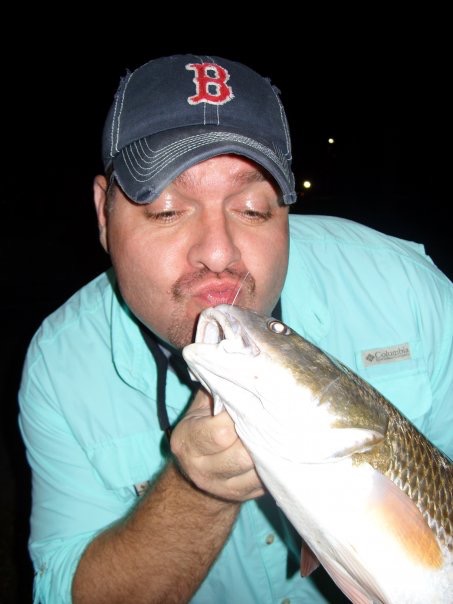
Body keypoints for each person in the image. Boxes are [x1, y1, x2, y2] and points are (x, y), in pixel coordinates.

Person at [18, 53, 453, 604]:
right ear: (105, 214)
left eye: (251, 209)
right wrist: (198, 491)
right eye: (167, 210)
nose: (219, 254)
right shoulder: (62, 367)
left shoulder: (403, 287)